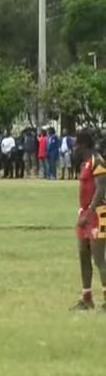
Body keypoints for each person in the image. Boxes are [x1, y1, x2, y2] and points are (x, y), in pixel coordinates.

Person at [72, 131, 106, 311]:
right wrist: (83, 213)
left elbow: (101, 188)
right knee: (83, 254)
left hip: (98, 214)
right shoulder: (85, 163)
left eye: (76, 145)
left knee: (99, 258)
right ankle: (87, 298)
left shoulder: (97, 161)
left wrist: (90, 211)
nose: (74, 149)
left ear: (83, 145)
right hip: (85, 213)